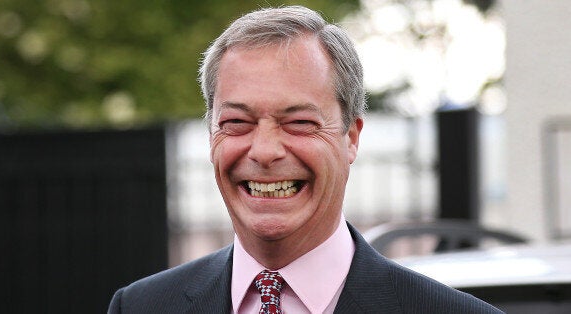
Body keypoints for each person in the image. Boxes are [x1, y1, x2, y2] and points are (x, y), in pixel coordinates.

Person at [108, 5, 503, 314]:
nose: (264, 151)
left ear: (351, 138)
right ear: (211, 135)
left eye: (298, 122)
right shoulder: (140, 307)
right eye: (237, 122)